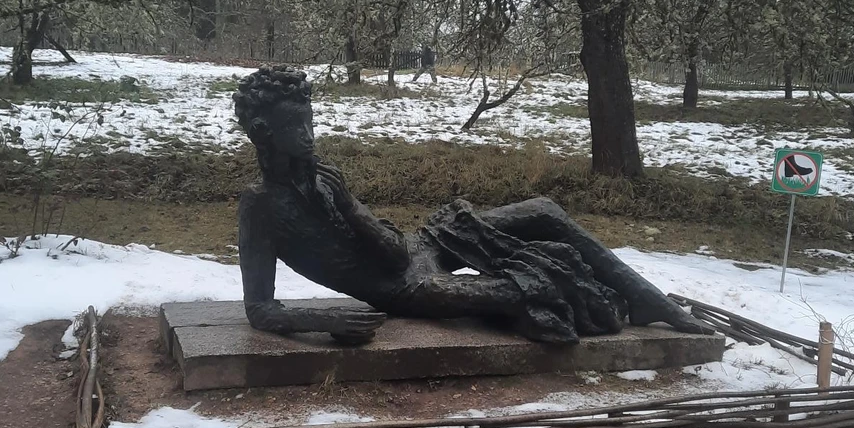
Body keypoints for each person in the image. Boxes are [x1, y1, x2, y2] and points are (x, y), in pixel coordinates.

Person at [233, 65, 707, 345]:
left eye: (311, 122)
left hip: (412, 249)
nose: (311, 137)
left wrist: (351, 207)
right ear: (263, 135)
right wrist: (325, 320)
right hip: (409, 291)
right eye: (299, 128)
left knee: (542, 210)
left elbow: (396, 249)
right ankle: (576, 307)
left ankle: (650, 300)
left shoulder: (325, 180)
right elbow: (260, 307)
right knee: (523, 289)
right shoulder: (259, 207)